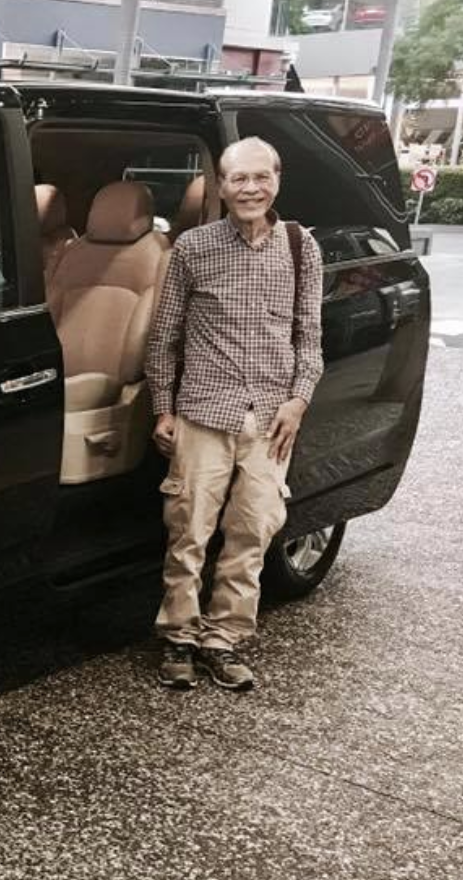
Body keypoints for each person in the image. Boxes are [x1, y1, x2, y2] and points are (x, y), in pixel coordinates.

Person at [144, 136, 324, 692]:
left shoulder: (300, 247)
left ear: (277, 180)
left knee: (252, 534)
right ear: (221, 187)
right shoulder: (194, 248)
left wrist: (299, 401)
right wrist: (162, 409)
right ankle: (179, 637)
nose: (250, 189)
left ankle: (223, 639)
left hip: (270, 420)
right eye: (238, 179)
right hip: (204, 411)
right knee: (188, 531)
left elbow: (309, 339)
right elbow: (164, 338)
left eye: (260, 177)